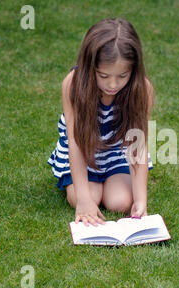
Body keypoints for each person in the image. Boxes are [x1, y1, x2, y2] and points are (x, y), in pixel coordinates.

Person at [47, 18, 154, 226]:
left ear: (133, 70)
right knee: (85, 198)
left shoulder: (142, 89)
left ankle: (109, 180)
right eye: (103, 76)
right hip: (83, 151)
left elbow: (137, 144)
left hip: (116, 153)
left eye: (122, 75)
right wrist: (84, 200)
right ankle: (90, 188)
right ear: (90, 67)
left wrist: (141, 199)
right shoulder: (73, 84)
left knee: (120, 202)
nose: (112, 85)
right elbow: (75, 141)